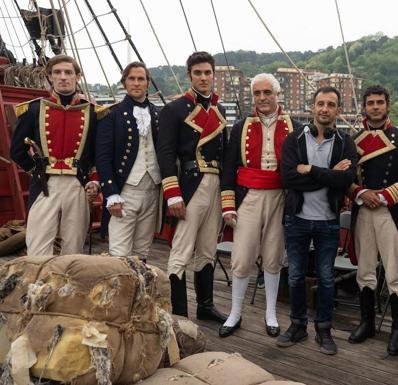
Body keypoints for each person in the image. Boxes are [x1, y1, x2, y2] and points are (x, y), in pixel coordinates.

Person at [218, 73, 301, 337]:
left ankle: (271, 313)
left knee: (274, 257)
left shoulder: (296, 126)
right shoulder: (241, 126)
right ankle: (235, 313)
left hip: (280, 197)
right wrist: (228, 205)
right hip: (249, 196)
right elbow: (229, 168)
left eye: (267, 93)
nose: (262, 98)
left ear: (277, 95)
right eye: (257, 93)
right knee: (241, 257)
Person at [276, 86, 357, 355]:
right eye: (320, 103)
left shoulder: (345, 143)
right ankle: (298, 325)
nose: (324, 108)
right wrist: (327, 174)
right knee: (296, 276)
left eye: (330, 104)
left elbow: (345, 180)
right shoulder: (294, 140)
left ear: (338, 110)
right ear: (313, 107)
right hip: (297, 218)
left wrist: (310, 169)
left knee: (325, 277)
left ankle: (324, 329)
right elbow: (288, 178)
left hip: (328, 221)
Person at [346, 85, 398, 356]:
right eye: (370, 103)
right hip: (363, 210)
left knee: (395, 273)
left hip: (389, 211)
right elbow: (347, 180)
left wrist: (386, 195)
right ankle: (367, 323)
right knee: (365, 271)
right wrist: (362, 192)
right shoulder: (352, 140)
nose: (375, 107)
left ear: (388, 105)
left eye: (379, 102)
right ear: (364, 106)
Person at [156, 51, 227, 323]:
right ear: (189, 76)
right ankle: (180, 313)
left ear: (213, 74)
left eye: (208, 73)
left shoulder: (219, 110)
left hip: (215, 183)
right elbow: (166, 154)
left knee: (208, 248)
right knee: (182, 250)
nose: (204, 78)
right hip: (189, 184)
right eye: (198, 73)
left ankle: (205, 306)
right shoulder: (174, 109)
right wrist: (173, 194)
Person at [11, 54, 99, 256]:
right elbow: (17, 150)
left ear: (78, 76)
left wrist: (94, 179)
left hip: (77, 183)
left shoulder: (92, 112)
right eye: (57, 72)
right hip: (45, 184)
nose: (63, 77)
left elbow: (97, 154)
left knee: (74, 248)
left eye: (68, 72)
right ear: (49, 77)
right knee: (38, 246)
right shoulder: (34, 109)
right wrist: (36, 171)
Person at [96, 62, 161, 261]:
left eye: (141, 79)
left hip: (153, 189)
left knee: (142, 251)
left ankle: (139, 292)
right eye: (131, 79)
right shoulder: (111, 114)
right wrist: (111, 194)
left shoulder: (158, 113)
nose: (136, 83)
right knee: (120, 252)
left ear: (148, 82)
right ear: (124, 82)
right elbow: (103, 157)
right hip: (125, 191)